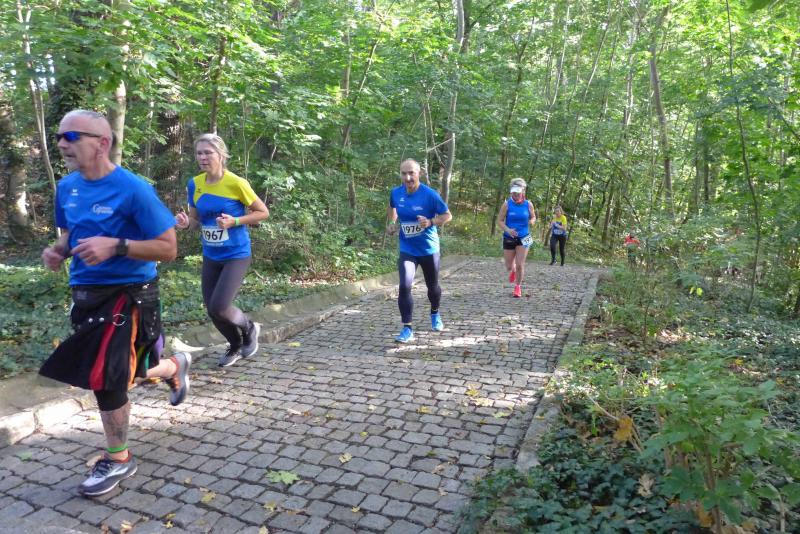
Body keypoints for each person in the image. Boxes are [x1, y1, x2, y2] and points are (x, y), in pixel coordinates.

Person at [39, 109, 191, 497]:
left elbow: (168, 248)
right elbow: (71, 232)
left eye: (72, 136)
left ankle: (119, 458)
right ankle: (174, 366)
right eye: (59, 136)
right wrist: (59, 251)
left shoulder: (133, 189)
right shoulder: (67, 187)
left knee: (105, 378)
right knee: (125, 371)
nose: (62, 143)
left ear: (102, 143)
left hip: (129, 295)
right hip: (85, 294)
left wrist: (118, 246)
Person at [175, 134, 269, 367]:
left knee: (220, 306)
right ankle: (235, 344)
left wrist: (234, 221)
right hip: (211, 254)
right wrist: (186, 224)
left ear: (221, 155)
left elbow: (262, 212)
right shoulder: (194, 184)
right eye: (199, 153)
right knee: (212, 310)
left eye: (208, 153)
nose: (202, 157)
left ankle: (249, 328)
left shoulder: (236, 183)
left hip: (236, 254)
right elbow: (196, 219)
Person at [386, 159, 452, 343]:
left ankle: (435, 312)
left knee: (433, 287)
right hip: (407, 248)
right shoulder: (396, 193)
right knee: (404, 286)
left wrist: (431, 222)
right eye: (404, 173)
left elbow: (447, 215)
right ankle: (407, 328)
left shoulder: (430, 195)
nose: (407, 178)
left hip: (429, 249)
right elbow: (392, 207)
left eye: (411, 173)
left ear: (419, 174)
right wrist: (392, 223)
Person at [496, 178, 536, 298]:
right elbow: (499, 221)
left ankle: (517, 287)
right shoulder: (507, 204)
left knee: (520, 264)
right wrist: (508, 230)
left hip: (524, 237)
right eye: (513, 192)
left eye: (518, 192)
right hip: (509, 237)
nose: (515, 194)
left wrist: (532, 221)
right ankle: (513, 270)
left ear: (523, 191)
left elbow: (533, 216)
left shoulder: (528, 204)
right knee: (509, 266)